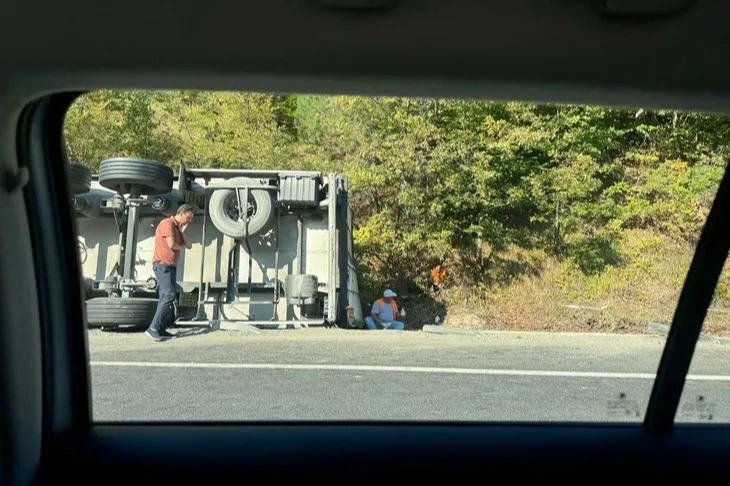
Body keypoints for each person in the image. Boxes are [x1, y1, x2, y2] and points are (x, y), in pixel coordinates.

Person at [145, 204, 195, 341]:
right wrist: (181, 247)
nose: (189, 221)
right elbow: (172, 244)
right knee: (169, 294)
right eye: (189, 218)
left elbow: (189, 245)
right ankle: (153, 328)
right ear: (182, 213)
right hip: (162, 265)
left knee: (165, 297)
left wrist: (183, 233)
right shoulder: (167, 223)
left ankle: (160, 328)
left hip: (171, 267)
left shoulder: (178, 228)